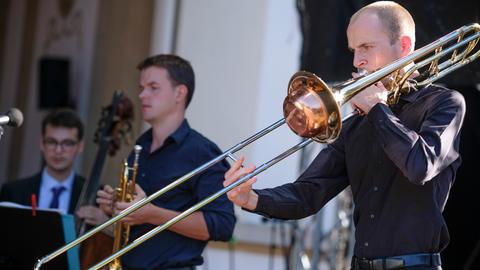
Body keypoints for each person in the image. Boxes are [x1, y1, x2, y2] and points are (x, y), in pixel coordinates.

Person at [224, 2, 466, 270]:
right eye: (353, 50)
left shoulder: (444, 103)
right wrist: (252, 199)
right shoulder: (357, 124)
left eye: (367, 47)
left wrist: (378, 110)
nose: (356, 61)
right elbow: (308, 194)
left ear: (405, 46)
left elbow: (421, 166)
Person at [96, 54, 236, 270]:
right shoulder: (140, 146)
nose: (142, 95)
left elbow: (223, 225)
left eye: (153, 87)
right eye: (141, 87)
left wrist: (152, 214)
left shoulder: (202, 153)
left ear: (179, 93)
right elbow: (134, 218)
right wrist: (117, 205)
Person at [0, 108, 85, 215]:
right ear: (42, 143)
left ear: (80, 147)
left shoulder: (95, 195)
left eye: (67, 143)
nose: (58, 150)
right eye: (51, 142)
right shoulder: (13, 191)